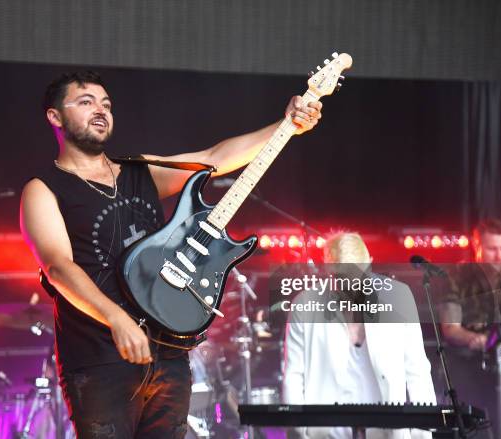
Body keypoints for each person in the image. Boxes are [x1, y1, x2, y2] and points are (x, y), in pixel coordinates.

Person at [19, 71, 322, 438]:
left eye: (106, 104)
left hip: (167, 353)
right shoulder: (43, 190)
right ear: (55, 117)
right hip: (99, 359)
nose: (100, 111)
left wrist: (285, 125)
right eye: (86, 102)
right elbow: (58, 267)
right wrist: (117, 319)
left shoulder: (139, 170)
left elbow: (214, 158)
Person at [283, 232, 436, 439]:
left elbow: (417, 372)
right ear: (328, 271)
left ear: (370, 265)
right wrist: (300, 434)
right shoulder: (304, 305)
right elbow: (293, 376)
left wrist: (421, 436)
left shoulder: (398, 297)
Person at [440, 218, 501, 349]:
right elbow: (450, 328)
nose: (499, 256)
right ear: (476, 245)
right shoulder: (456, 276)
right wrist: (475, 339)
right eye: (492, 249)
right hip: (470, 359)